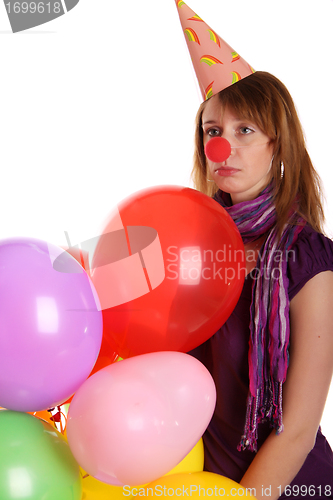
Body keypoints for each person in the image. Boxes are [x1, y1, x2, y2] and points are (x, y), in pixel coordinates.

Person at [174, 1, 333, 498]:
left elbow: (298, 431)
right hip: (192, 480)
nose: (225, 147)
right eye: (213, 131)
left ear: (277, 144)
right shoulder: (187, 250)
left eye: (245, 130)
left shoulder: (309, 259)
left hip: (284, 487)